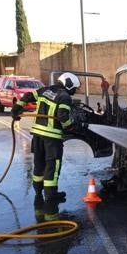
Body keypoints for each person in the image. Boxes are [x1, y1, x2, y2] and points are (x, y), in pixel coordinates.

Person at [12, 72, 84, 222]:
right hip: (52, 137)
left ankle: (38, 191)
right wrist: (72, 127)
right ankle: (51, 195)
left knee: (39, 164)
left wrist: (17, 108)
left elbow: (26, 97)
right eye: (74, 88)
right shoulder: (64, 97)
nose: (74, 91)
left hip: (37, 136)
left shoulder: (45, 90)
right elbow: (63, 116)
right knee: (53, 165)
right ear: (68, 84)